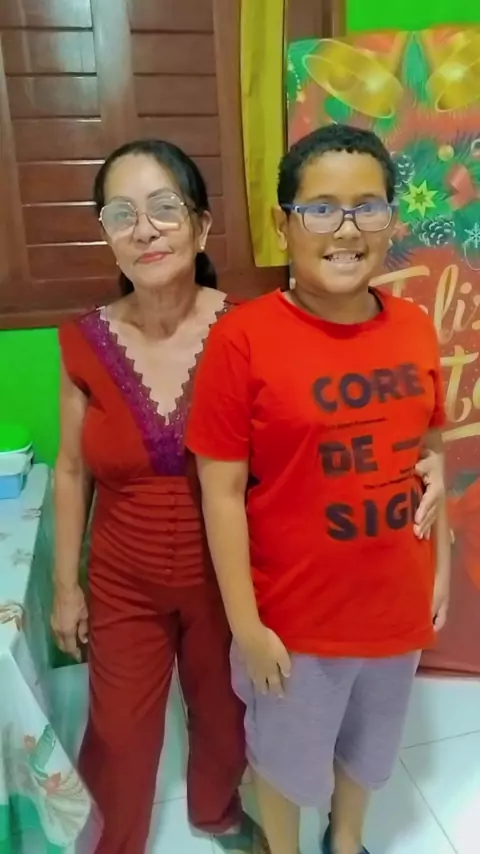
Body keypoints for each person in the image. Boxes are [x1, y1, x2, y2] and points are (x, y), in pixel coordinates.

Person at [185, 124, 451, 854]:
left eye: (368, 206)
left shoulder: (414, 328)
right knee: (285, 761)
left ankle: (347, 839)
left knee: (371, 747)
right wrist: (247, 627)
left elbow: (430, 449)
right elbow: (219, 492)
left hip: (396, 604)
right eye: (321, 209)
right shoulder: (243, 338)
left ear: (391, 220)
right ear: (284, 224)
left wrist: (443, 565)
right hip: (296, 621)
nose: (347, 228)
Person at [50, 139, 270, 854]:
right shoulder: (84, 341)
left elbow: (297, 449)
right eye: (122, 214)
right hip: (123, 580)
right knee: (117, 730)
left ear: (201, 226)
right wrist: (66, 588)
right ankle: (112, 841)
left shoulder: (251, 331)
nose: (144, 230)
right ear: (108, 236)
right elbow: (70, 470)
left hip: (227, 578)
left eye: (164, 208)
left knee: (226, 712)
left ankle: (216, 812)